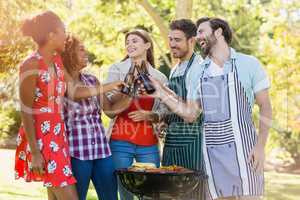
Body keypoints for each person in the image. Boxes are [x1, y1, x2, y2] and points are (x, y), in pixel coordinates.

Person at [147, 17, 272, 200]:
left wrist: (260, 146)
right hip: (212, 156)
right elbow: (190, 114)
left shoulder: (248, 63)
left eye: (201, 31)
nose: (197, 37)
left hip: (245, 152)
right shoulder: (199, 70)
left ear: (219, 32)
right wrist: (161, 92)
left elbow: (266, 107)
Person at [14, 11, 78, 200]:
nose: (66, 36)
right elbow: (25, 111)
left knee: (55, 197)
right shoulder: (31, 64)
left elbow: (75, 91)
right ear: (51, 35)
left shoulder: (57, 62)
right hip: (42, 139)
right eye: (63, 32)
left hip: (58, 135)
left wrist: (113, 85)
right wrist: (35, 153)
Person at [103, 29, 168, 200]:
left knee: (150, 190)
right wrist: (128, 85)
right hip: (120, 140)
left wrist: (149, 115)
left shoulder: (159, 77)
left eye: (134, 41)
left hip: (148, 142)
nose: (129, 45)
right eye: (127, 42)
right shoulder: (117, 69)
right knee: (125, 190)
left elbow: (164, 110)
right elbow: (108, 104)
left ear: (147, 45)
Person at [61, 35, 118, 200]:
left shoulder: (92, 79)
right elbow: (75, 93)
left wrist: (131, 91)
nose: (86, 53)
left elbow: (110, 111)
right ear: (69, 53)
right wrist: (111, 85)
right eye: (81, 49)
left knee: (111, 197)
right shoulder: (61, 81)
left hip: (101, 151)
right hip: (76, 151)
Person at [160, 19, 204, 200]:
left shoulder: (198, 67)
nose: (172, 44)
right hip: (172, 142)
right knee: (167, 193)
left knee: (191, 194)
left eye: (177, 40)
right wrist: (164, 120)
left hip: (192, 143)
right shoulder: (176, 68)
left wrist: (161, 93)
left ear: (191, 41)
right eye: (170, 39)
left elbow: (191, 114)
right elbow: (176, 103)